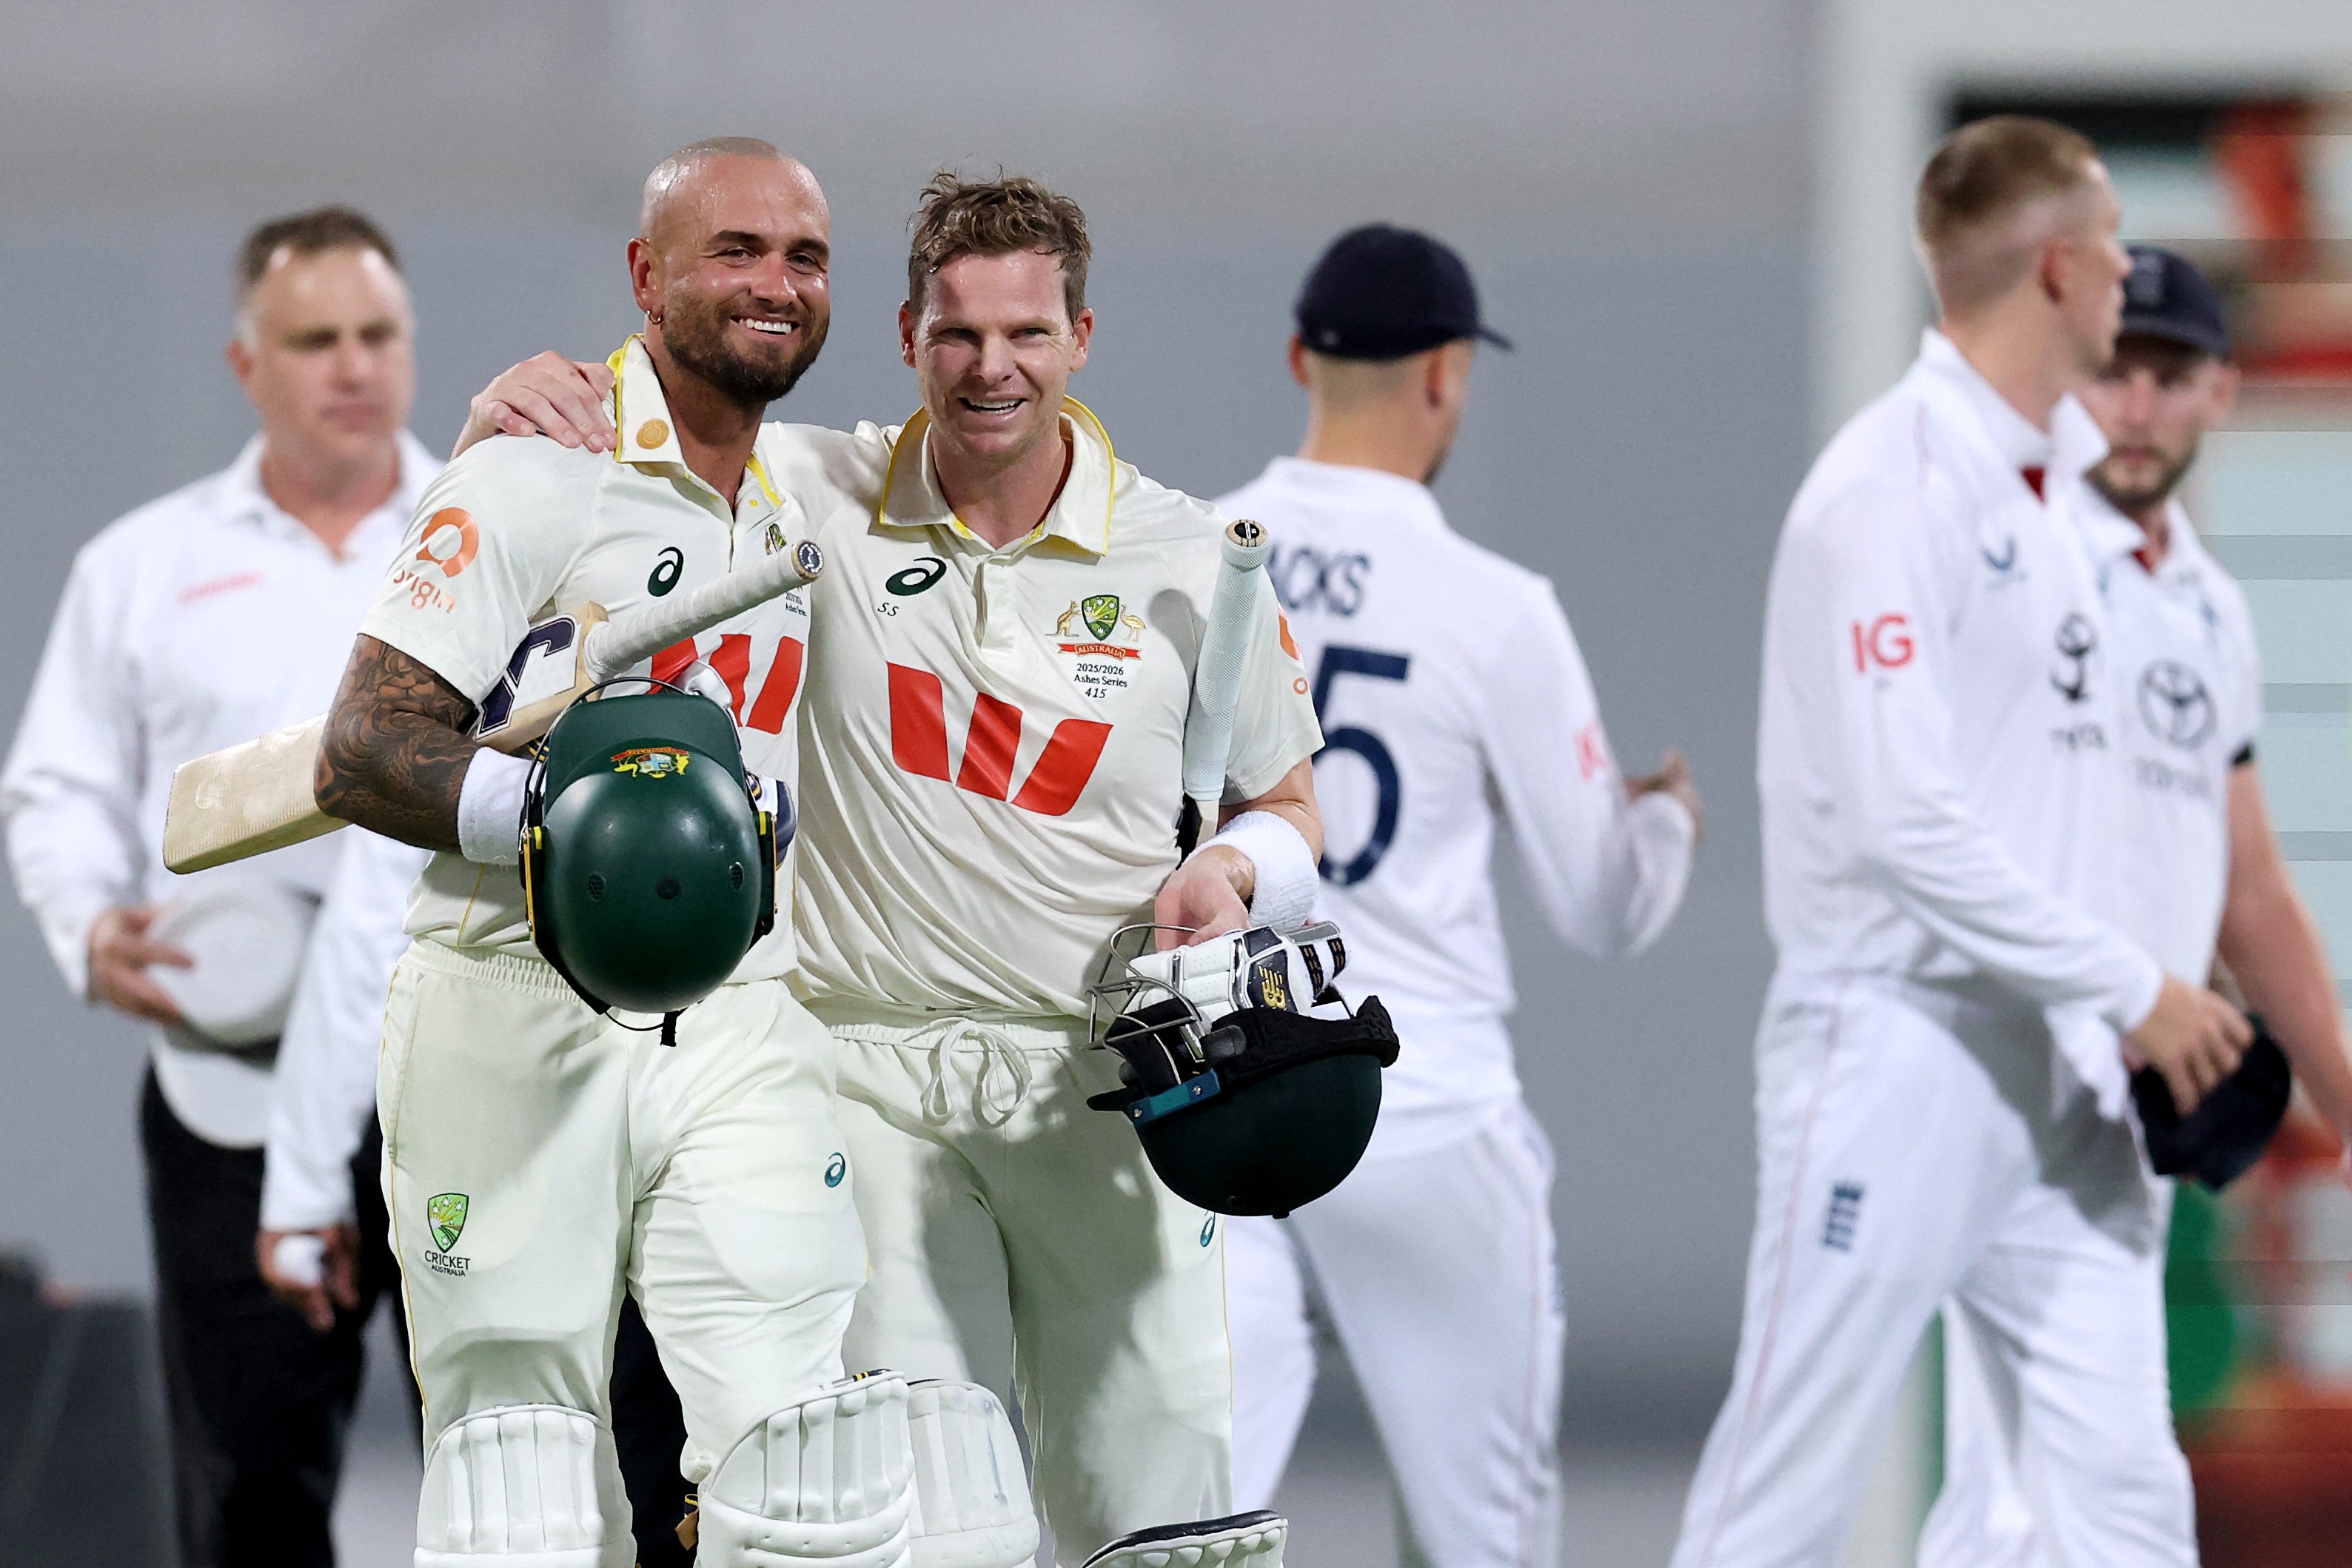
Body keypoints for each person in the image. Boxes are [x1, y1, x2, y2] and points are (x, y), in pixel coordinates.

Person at [460, 170, 1325, 1565]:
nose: (993, 370)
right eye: (959, 335)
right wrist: (508, 402)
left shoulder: (1183, 554)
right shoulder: (811, 493)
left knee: (1166, 1523)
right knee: (935, 1519)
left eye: (1027, 335)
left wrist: (1235, 867)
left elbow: (1289, 803)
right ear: (909, 334)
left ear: (1081, 339)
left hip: (1103, 1083)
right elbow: (634, 454)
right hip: (872, 1091)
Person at [1666, 118, 2253, 1568]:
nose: (2128, 270)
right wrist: (2133, 985)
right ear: (2057, 269)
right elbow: (1899, 824)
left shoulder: (2057, 497)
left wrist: (2141, 993)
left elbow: (2092, 790)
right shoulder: (1887, 488)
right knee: (1782, 1495)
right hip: (1895, 1049)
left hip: (2060, 1072)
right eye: (2111, 241)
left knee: (2118, 1507)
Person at [312, 139, 893, 1568]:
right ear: (646, 276)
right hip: (511, 999)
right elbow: (361, 745)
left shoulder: (799, 495)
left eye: (805, 258)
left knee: (798, 1448)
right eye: (735, 251)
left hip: (732, 1009)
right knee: (522, 1484)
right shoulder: (535, 468)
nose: (776, 284)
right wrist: (575, 829)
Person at [1213, 224, 1700, 1567]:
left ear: (1302, 356)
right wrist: (1661, 827)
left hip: (1209, 1098)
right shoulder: (1493, 607)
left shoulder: (1185, 554)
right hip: (1418, 1107)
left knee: (1181, 1529)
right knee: (1476, 1544)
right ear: (1447, 376)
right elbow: (1601, 903)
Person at [0, 206, 435, 1567]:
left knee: (505, 1461)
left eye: (377, 335)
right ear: (248, 364)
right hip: (228, 1077)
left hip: (455, 1073)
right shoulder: (145, 567)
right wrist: (86, 927)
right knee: (246, 1482)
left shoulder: (486, 545)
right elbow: (55, 783)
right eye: (315, 340)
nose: (353, 367)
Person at [1919, 248, 2352, 1565]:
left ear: (2217, 391)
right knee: (2030, 1498)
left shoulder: (2203, 607)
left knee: (2074, 1511)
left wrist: (2343, 1095)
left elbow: (2249, 884)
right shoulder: (2009, 554)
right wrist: (2121, 993)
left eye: (2169, 374)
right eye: (2113, 370)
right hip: (1998, 1087)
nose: (2136, 403)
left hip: (2127, 1126)